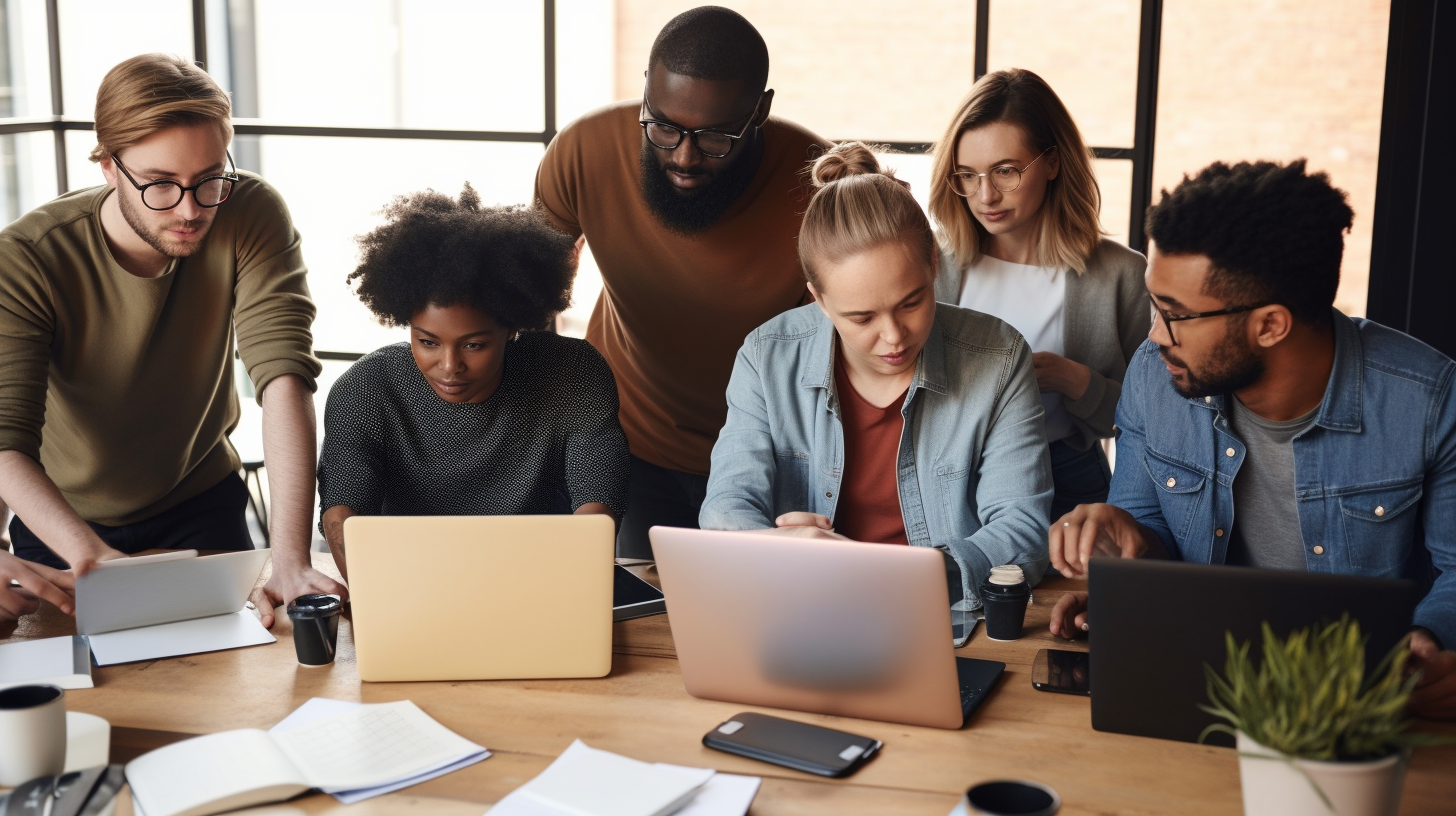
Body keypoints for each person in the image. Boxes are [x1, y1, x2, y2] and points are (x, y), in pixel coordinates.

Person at [1046, 160, 1456, 720]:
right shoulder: (1154, 375)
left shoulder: (1429, 401)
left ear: (1270, 325)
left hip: (1351, 701)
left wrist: (1431, 641)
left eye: (1176, 315)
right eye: (1155, 305)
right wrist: (1128, 555)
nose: (1153, 334)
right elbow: (1153, 529)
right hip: (1197, 675)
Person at [0, 54, 342, 627]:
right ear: (109, 166)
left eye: (209, 178)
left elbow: (283, 377)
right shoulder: (26, 259)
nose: (191, 209)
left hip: (201, 499)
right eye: (160, 184)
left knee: (236, 681)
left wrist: (290, 557)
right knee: (91, 696)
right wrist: (88, 554)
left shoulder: (249, 210)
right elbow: (5, 440)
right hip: (63, 524)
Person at [699, 142, 1052, 622]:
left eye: (911, 302)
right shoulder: (766, 357)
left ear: (933, 266)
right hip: (800, 612)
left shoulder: (999, 358)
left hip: (940, 619)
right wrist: (773, 548)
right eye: (861, 317)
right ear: (819, 301)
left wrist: (906, 581)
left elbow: (1023, 529)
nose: (893, 337)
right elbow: (724, 507)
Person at [534, 6, 828, 558]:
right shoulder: (582, 152)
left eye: (716, 137)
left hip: (777, 458)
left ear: (760, 110)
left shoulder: (820, 184)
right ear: (646, 91)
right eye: (664, 126)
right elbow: (524, 298)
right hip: (630, 445)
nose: (684, 157)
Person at [317, 187, 630, 579]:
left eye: (474, 345)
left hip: (542, 578)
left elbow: (597, 505)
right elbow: (343, 510)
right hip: (407, 583)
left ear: (513, 327)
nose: (449, 366)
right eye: (427, 342)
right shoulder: (366, 388)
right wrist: (375, 594)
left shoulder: (573, 374)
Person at [929, 68, 1147, 520]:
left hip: (1067, 478)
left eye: (1005, 171)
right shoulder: (932, 262)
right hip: (948, 473)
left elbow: (1152, 425)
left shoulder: (1121, 275)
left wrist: (1074, 380)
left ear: (1052, 162)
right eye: (968, 175)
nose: (985, 195)